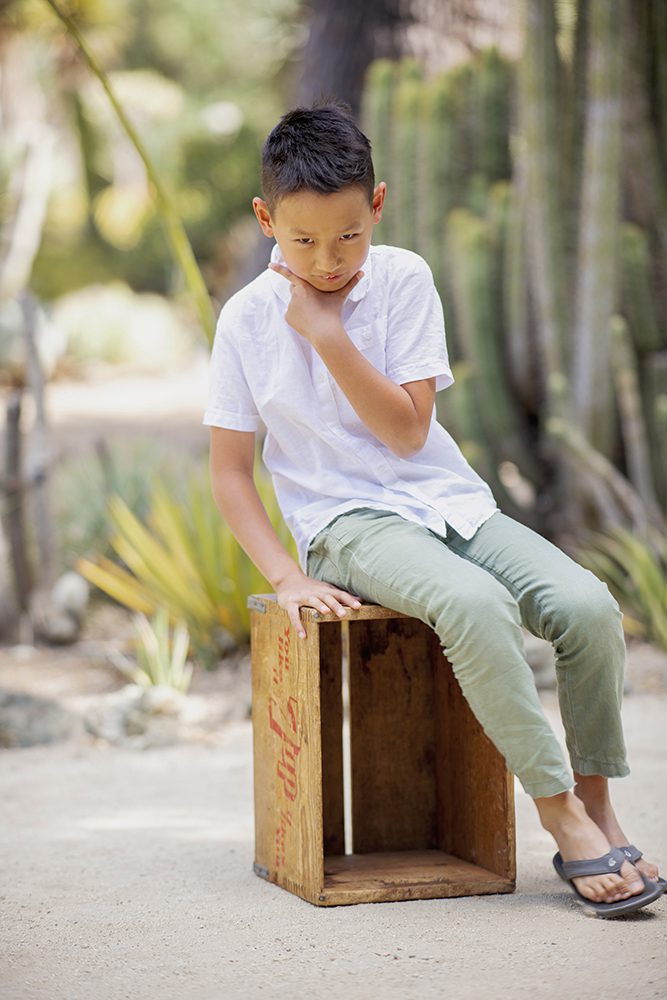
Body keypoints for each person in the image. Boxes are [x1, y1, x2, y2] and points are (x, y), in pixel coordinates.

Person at [203, 99, 664, 918]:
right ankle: (557, 811)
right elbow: (231, 472)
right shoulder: (244, 321)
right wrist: (284, 576)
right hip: (344, 524)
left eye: (348, 235)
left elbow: (408, 432)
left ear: (377, 204)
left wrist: (329, 335)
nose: (327, 261)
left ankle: (596, 802)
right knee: (475, 605)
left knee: (587, 607)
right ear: (265, 219)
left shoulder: (404, 279)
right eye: (303, 241)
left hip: (446, 500)